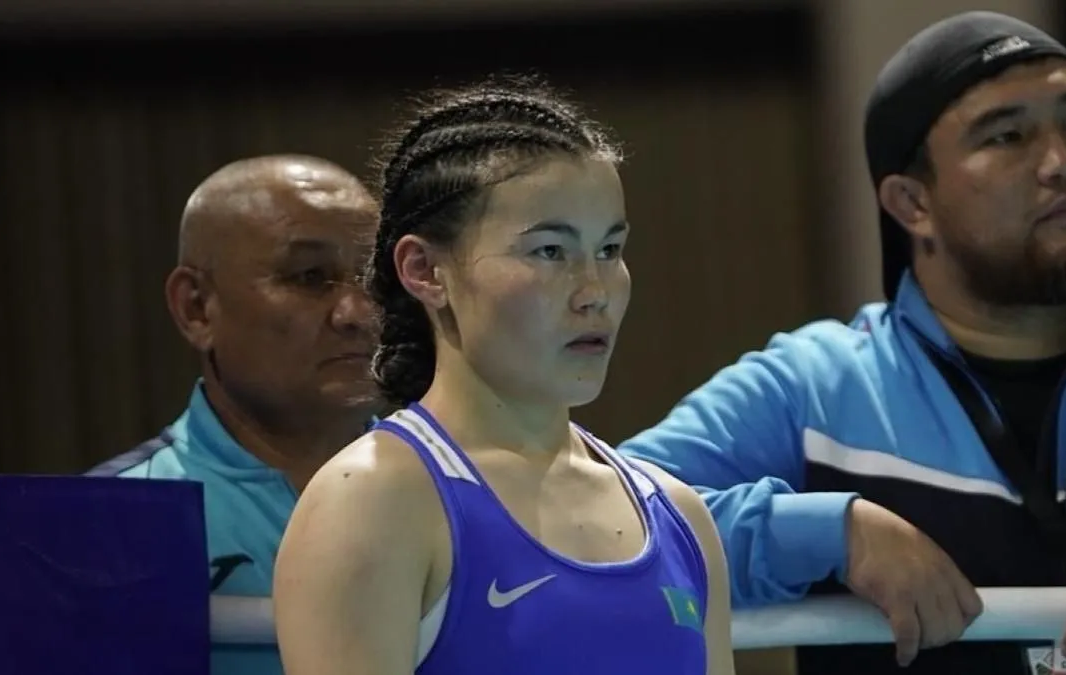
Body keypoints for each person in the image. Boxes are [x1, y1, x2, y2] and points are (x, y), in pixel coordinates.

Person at [619, 11, 1066, 675]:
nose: (1062, 161)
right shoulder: (816, 390)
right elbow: (606, 519)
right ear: (911, 203)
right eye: (1007, 136)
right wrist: (829, 533)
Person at [272, 75, 735, 675]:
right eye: (550, 251)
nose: (594, 291)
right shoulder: (372, 500)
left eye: (609, 250)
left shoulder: (680, 515)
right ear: (424, 270)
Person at [88, 154, 383, 673]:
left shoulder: (471, 495)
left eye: (374, 278)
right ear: (196, 307)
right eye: (311, 276)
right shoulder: (104, 527)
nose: (358, 313)